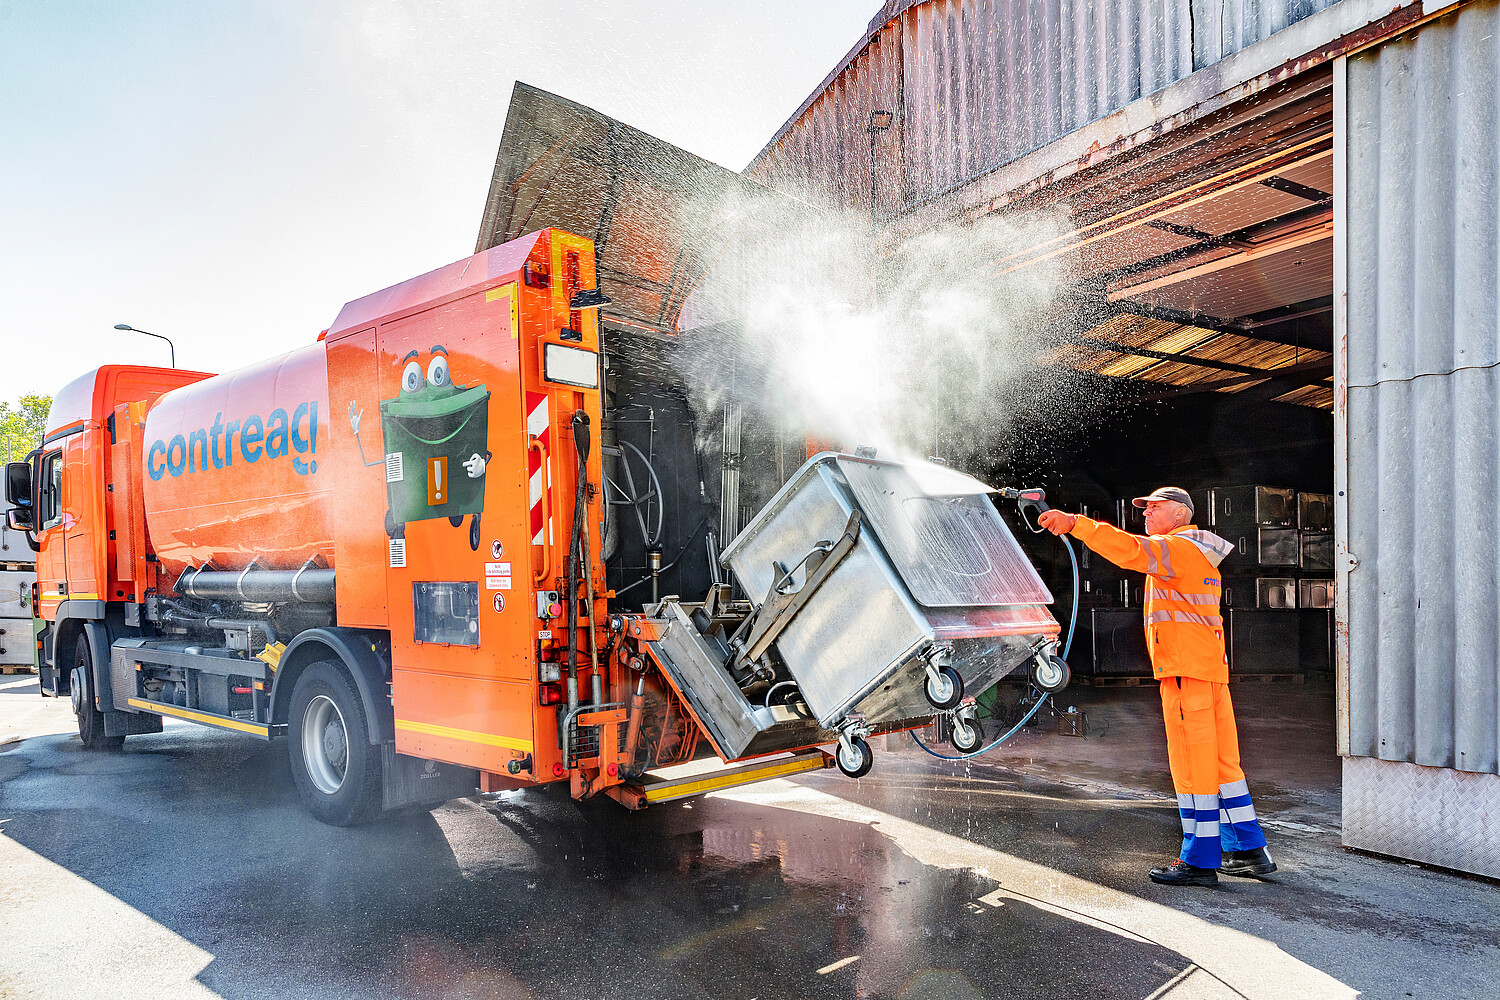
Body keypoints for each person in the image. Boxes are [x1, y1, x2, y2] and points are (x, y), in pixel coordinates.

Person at [1037, 487, 1276, 886]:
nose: (1146, 513)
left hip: (1186, 675)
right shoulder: (1198, 554)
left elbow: (1130, 549)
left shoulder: (1177, 548)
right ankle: (1248, 849)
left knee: (1191, 767)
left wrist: (1076, 524)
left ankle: (1199, 861)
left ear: (1180, 514)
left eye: (1155, 507)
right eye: (1144, 508)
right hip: (1208, 673)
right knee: (1222, 765)